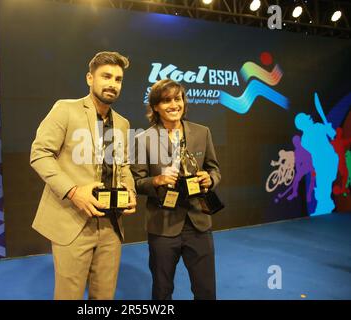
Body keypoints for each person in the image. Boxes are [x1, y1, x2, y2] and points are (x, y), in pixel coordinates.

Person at [30, 51, 136, 300]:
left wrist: (129, 190)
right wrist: (74, 191)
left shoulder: (122, 123)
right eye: (106, 76)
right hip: (72, 221)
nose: (112, 84)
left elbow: (124, 167)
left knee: (104, 297)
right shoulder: (65, 109)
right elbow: (40, 154)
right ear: (90, 78)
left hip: (111, 225)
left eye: (118, 79)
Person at [131, 79, 221, 300]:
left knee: (206, 291)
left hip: (198, 224)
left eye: (177, 99)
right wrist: (158, 180)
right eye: (166, 100)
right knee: (162, 291)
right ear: (155, 107)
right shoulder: (143, 139)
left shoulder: (202, 132)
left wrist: (210, 179)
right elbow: (136, 181)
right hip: (163, 226)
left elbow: (214, 169)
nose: (174, 104)